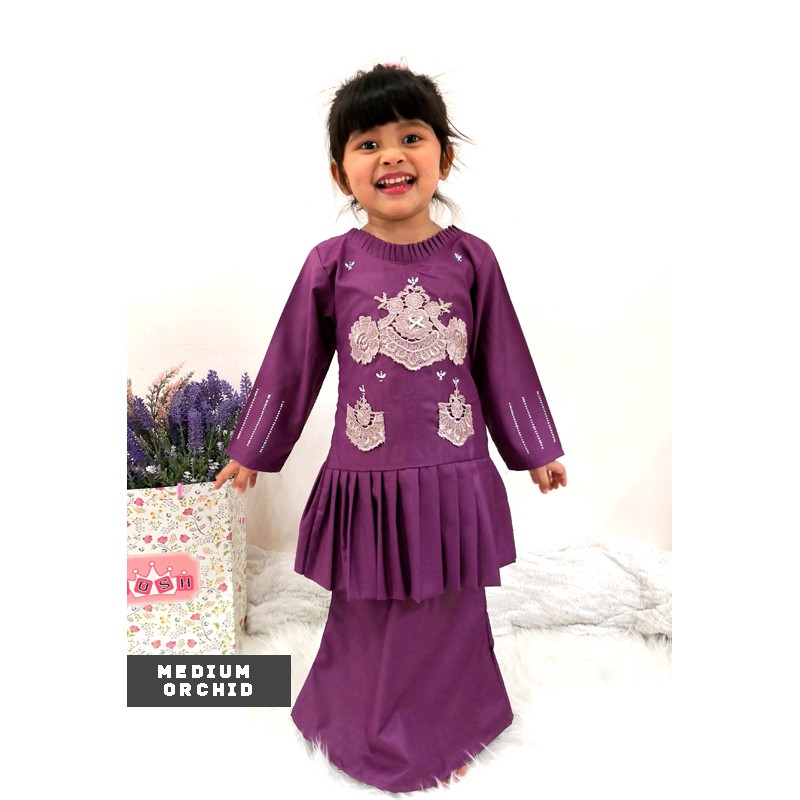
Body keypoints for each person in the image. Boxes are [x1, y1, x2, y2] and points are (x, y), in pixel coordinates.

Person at [213, 63, 567, 792]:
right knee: (366, 612)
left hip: (451, 476)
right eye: (368, 143)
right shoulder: (331, 263)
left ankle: (453, 725)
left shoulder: (472, 259)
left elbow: (503, 359)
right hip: (367, 479)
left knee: (448, 611)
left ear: (444, 156)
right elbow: (291, 362)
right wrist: (252, 449)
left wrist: (535, 449)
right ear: (340, 173)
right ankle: (350, 722)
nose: (392, 156)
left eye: (410, 137)